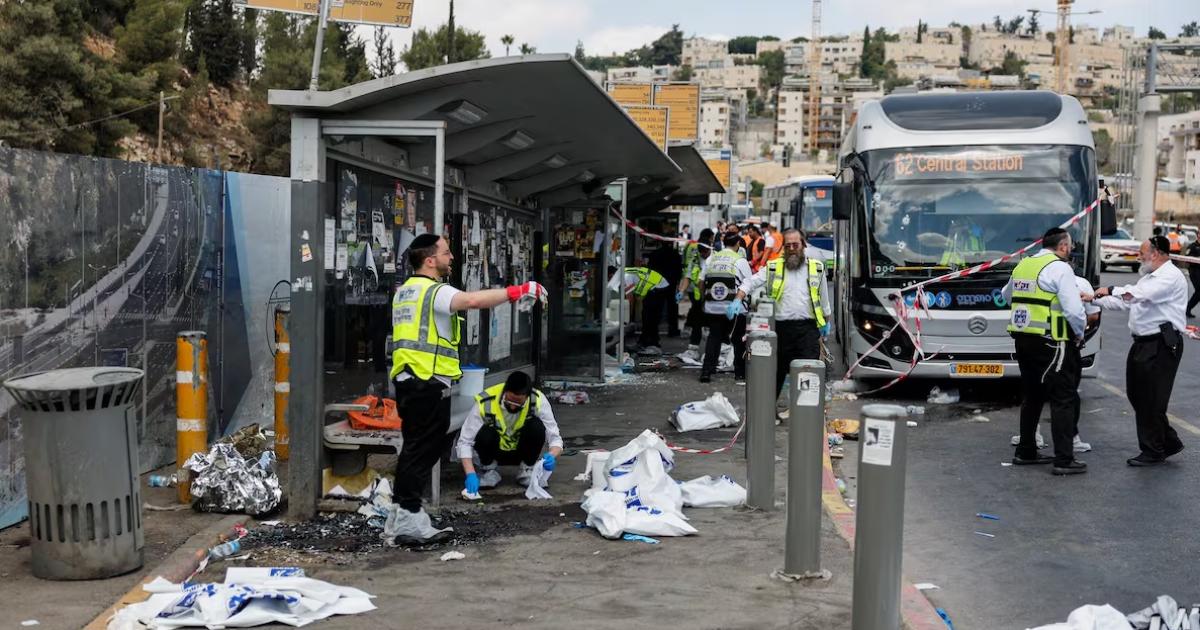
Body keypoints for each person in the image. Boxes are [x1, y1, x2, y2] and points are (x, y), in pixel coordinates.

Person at [389, 234, 548, 540]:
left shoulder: (405, 292)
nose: (452, 258)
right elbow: (472, 301)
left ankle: (402, 513)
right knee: (422, 450)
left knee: (416, 449)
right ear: (430, 260)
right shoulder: (432, 291)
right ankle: (408, 517)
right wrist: (517, 291)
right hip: (426, 381)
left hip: (410, 380)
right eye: (446, 253)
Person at [1089, 235, 1188, 466]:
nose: (1138, 255)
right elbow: (1125, 302)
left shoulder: (1169, 277)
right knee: (1136, 394)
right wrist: (1094, 298)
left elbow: (1135, 295)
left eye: (1142, 252)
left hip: (1162, 343)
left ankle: (1153, 450)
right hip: (1143, 343)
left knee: (1152, 398)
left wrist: (1110, 288)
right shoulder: (1149, 277)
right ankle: (1168, 441)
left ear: (1155, 253)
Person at [1004, 227, 1089, 475]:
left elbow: (1006, 295)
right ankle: (1064, 459)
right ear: (1063, 246)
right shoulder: (1060, 267)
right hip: (1053, 341)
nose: (1071, 249)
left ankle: (1026, 451)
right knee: (1063, 397)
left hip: (1023, 339)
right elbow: (1074, 311)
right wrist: (1080, 334)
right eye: (1070, 245)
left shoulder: (1023, 265)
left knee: (1032, 396)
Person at [733, 228, 830, 403]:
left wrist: (826, 322)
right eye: (788, 245)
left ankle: (806, 417)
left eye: (796, 244)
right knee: (776, 375)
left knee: (807, 375)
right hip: (780, 330)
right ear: (783, 247)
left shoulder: (817, 268)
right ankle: (768, 413)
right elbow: (751, 282)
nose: (792, 248)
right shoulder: (773, 267)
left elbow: (823, 299)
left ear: (803, 245)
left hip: (807, 330)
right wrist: (737, 299)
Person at [457, 371, 563, 499]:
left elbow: (555, 437)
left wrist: (552, 455)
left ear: (527, 396)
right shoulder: (486, 401)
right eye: (510, 401)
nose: (513, 407)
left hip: (521, 451)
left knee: (537, 427)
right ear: (505, 391)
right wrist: (470, 474)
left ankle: (527, 470)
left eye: (518, 403)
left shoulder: (538, 400)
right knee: (484, 432)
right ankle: (489, 471)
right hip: (493, 452)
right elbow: (465, 441)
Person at [700, 233, 752, 383]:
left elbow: (701, 282)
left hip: (713, 307)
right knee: (738, 339)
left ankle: (707, 371)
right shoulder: (740, 261)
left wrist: (705, 299)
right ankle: (740, 373)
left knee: (714, 337)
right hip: (734, 307)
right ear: (737, 245)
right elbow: (749, 283)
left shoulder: (711, 258)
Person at [608, 265, 669, 355]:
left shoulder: (625, 276)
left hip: (658, 287)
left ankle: (653, 345)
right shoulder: (626, 272)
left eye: (610, 278)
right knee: (646, 315)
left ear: (612, 274)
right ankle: (643, 343)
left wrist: (628, 317)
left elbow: (630, 298)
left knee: (650, 317)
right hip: (657, 286)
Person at [677, 229, 714, 362]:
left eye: (705, 252)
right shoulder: (696, 258)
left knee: (713, 326)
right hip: (698, 297)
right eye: (701, 252)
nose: (703, 255)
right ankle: (693, 350)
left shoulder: (716, 259)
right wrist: (681, 291)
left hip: (713, 298)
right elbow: (687, 276)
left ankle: (713, 353)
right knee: (697, 322)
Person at [648, 242, 683, 338]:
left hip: (658, 282)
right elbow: (679, 270)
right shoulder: (675, 254)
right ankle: (673, 329)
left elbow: (650, 269)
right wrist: (677, 281)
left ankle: (654, 330)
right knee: (672, 307)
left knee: (657, 307)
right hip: (671, 283)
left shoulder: (655, 254)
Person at [1186, 237, 1200, 318]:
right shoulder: (1192, 246)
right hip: (1194, 271)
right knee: (1199, 291)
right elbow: (1187, 258)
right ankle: (1188, 308)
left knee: (1199, 293)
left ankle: (1188, 308)